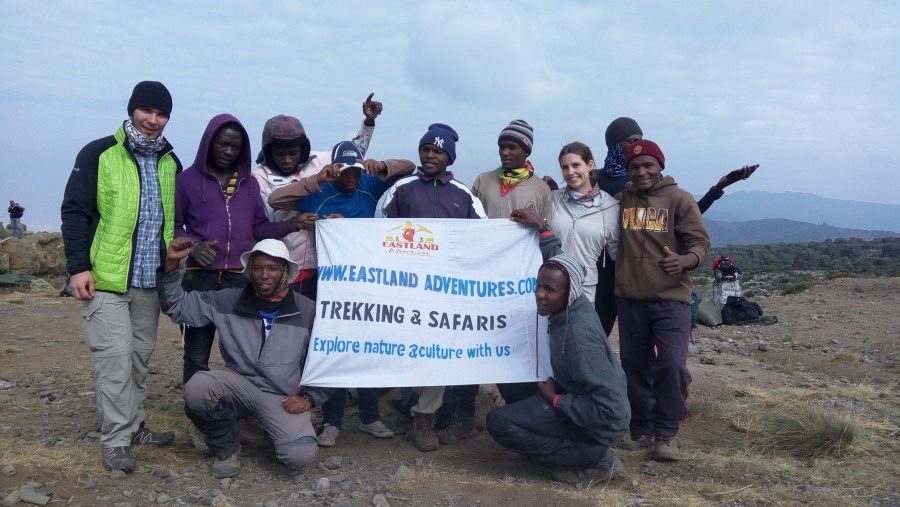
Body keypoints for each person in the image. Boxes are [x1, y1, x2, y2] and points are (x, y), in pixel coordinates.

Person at [60, 81, 180, 472]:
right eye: (147, 110)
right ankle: (115, 440)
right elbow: (75, 211)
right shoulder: (99, 153)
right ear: (132, 110)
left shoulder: (169, 162)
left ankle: (135, 425)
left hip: (149, 282)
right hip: (105, 280)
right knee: (114, 360)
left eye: (161, 114)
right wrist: (78, 267)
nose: (153, 120)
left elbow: (173, 221)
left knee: (139, 359)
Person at [174, 114, 313, 449]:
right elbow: (176, 226)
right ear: (209, 142)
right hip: (201, 277)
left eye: (235, 145)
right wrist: (192, 247)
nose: (228, 150)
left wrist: (293, 224)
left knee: (241, 352)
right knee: (196, 351)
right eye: (223, 143)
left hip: (239, 278)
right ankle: (201, 419)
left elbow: (258, 230)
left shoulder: (248, 184)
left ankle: (241, 408)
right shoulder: (187, 181)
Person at [268, 141, 415, 446]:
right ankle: (332, 420)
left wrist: (381, 166)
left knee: (368, 349)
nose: (351, 176)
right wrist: (315, 181)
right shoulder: (320, 192)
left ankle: (370, 416)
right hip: (331, 284)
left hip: (367, 283)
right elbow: (276, 199)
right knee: (333, 349)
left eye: (355, 169)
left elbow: (409, 167)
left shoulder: (369, 183)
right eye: (345, 170)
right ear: (334, 168)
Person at [158, 238, 330, 478]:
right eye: (257, 268)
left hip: (281, 395)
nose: (264, 275)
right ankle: (226, 448)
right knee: (198, 386)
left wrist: (310, 397)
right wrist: (170, 265)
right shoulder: (227, 300)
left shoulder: (308, 310)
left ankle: (265, 430)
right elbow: (178, 306)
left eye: (272, 268)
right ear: (249, 271)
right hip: (238, 386)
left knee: (298, 456)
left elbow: (330, 357)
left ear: (286, 272)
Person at [487, 207, 629, 486]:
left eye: (548, 290)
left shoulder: (579, 339)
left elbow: (614, 411)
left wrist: (556, 401)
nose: (539, 294)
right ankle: (551, 435)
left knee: (499, 423)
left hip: (598, 424)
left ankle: (596, 458)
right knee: (510, 376)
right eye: (538, 285)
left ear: (568, 291)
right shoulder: (571, 296)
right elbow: (560, 262)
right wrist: (542, 228)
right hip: (574, 395)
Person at [591, 117, 757, 336]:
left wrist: (718, 188)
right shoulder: (597, 179)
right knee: (598, 335)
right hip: (605, 271)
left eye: (640, 140)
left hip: (644, 276)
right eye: (630, 141)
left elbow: (680, 215)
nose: (637, 147)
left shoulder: (650, 179)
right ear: (614, 145)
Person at [378, 123, 486, 452]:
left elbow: (485, 239)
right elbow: (376, 234)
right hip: (407, 289)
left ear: (449, 157)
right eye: (426, 149)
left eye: (437, 151)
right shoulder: (402, 190)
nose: (429, 155)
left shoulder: (464, 195)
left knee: (439, 353)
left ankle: (424, 418)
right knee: (409, 350)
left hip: (447, 292)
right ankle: (408, 401)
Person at [442, 120, 552, 442]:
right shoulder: (484, 181)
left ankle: (520, 412)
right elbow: (469, 224)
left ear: (526, 150)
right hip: (482, 281)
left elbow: (547, 231)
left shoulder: (540, 189)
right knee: (472, 346)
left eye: (512, 147)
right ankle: (462, 415)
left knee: (512, 345)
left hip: (518, 283)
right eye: (502, 146)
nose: (505, 151)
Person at [615, 139, 710, 461]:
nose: (641, 172)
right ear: (627, 169)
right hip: (630, 298)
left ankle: (667, 432)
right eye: (634, 167)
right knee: (635, 367)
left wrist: (686, 261)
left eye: (648, 165)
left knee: (671, 365)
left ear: (660, 166)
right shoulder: (621, 200)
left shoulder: (679, 199)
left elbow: (700, 243)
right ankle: (641, 430)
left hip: (671, 299)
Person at [252, 94, 383, 299]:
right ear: (269, 152)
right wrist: (293, 223)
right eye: (279, 154)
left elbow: (352, 155)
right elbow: (259, 225)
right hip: (285, 268)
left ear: (302, 149)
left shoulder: (319, 162)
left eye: (293, 153)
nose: (287, 159)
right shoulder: (258, 179)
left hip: (326, 266)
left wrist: (368, 122)